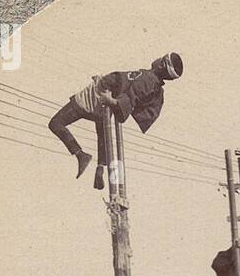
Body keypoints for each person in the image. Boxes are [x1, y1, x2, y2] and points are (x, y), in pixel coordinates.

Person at [48, 53, 183, 188]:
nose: (157, 58)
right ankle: (100, 167)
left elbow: (131, 97)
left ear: (162, 64)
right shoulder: (153, 83)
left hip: (98, 95)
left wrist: (111, 100)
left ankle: (80, 154)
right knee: (102, 134)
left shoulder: (148, 80)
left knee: (56, 123)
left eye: (162, 58)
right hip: (105, 98)